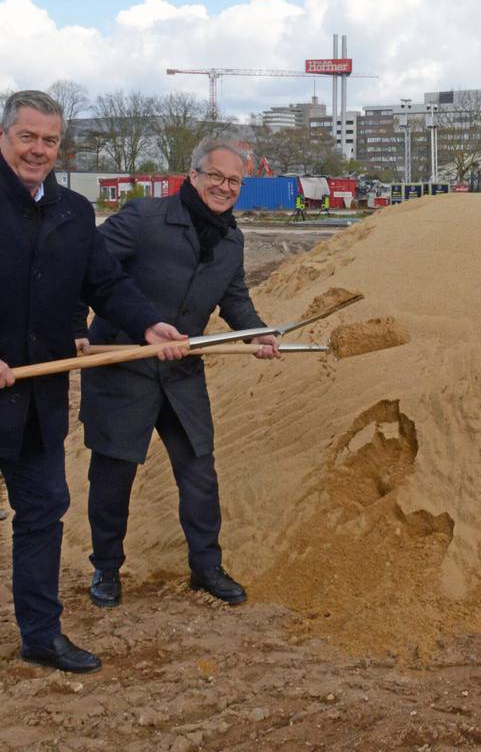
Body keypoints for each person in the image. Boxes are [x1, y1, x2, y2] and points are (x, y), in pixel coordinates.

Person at [0, 90, 187, 674]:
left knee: (43, 511)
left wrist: (148, 323)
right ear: (4, 135)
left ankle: (41, 634)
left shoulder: (74, 211)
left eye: (49, 140)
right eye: (27, 136)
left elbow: (104, 284)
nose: (38, 149)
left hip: (36, 400)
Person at [76, 137, 281, 611]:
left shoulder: (231, 239)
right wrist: (77, 324)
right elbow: (90, 270)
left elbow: (234, 297)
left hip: (182, 373)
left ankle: (206, 568)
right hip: (123, 366)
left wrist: (258, 333)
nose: (225, 187)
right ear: (193, 175)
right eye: (216, 176)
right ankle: (106, 568)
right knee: (114, 475)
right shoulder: (145, 218)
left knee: (198, 471)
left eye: (234, 181)